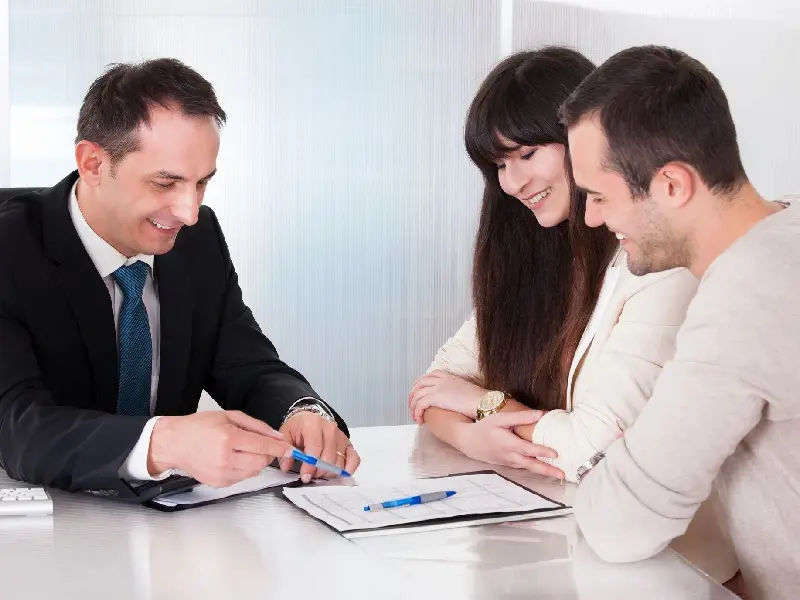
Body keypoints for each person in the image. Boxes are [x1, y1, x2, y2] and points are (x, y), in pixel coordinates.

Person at [406, 48, 736, 583]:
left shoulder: (656, 261)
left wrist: (483, 406)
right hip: (557, 537)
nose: (512, 183)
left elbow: (593, 448)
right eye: (498, 164)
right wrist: (472, 437)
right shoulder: (533, 257)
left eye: (528, 153)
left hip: (666, 568)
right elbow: (434, 385)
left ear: (590, 139)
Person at [0, 58, 360, 497]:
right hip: (33, 529)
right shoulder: (10, 250)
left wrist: (301, 411)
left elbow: (247, 365)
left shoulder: (199, 239)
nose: (189, 213)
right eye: (165, 183)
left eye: (202, 183)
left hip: (166, 531)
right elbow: (16, 426)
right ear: (93, 164)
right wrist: (164, 443)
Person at [561, 45, 800, 600]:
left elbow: (622, 524)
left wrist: (609, 462)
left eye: (599, 195)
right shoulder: (784, 240)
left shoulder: (749, 291)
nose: (592, 217)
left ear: (672, 184)